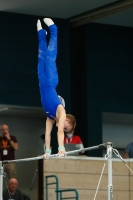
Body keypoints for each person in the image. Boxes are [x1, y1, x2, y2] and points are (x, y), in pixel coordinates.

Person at [37, 18, 74, 158]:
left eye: (65, 129)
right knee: (50, 55)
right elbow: (59, 133)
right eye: (65, 127)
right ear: (67, 120)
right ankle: (53, 30)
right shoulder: (60, 111)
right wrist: (61, 148)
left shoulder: (50, 117)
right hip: (51, 81)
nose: (62, 128)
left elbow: (47, 133)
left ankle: (41, 33)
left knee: (41, 56)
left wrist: (47, 150)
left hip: (41, 82)